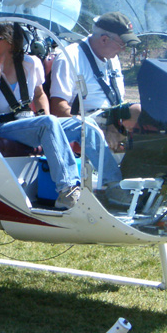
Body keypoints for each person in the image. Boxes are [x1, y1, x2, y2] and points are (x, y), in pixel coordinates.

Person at [0, 22, 81, 209]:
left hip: (26, 124)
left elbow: (39, 94)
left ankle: (109, 186)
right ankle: (67, 190)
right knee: (48, 123)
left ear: (11, 42)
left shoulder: (31, 63)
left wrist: (44, 116)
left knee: (84, 124)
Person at [49, 12, 142, 200]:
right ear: (104, 39)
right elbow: (58, 108)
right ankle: (113, 185)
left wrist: (115, 127)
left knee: (146, 114)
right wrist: (99, 127)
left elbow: (117, 100)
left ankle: (146, 180)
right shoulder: (71, 57)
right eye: (121, 44)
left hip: (109, 116)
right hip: (84, 119)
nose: (123, 49)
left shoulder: (112, 58)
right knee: (134, 112)